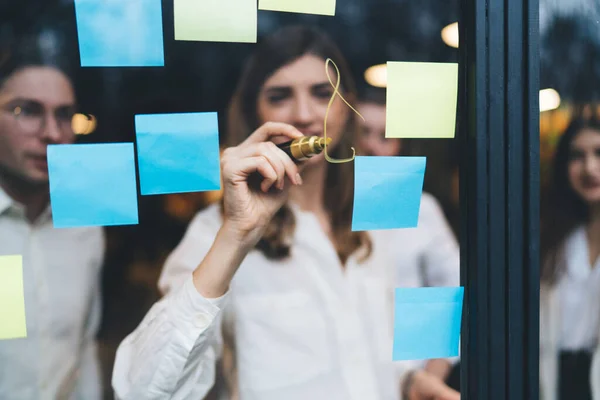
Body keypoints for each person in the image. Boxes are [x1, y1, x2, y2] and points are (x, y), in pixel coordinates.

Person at [112, 25, 459, 400]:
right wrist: (237, 235)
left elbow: (367, 348)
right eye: (280, 97)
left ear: (346, 107)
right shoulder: (217, 230)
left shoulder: (374, 216)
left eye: (323, 94)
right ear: (253, 112)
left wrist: (407, 381)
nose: (306, 114)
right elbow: (144, 391)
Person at [0, 30, 105, 399]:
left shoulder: (85, 227)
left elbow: (84, 349)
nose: (51, 133)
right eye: (26, 111)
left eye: (65, 116)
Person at [357, 86, 460, 385]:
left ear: (399, 144)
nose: (372, 146)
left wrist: (432, 375)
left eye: (384, 136)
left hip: (408, 378)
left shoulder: (419, 208)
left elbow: (449, 290)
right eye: (363, 133)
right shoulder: (322, 208)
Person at [540, 115, 600, 400]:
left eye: (599, 153)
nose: (590, 167)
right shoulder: (552, 237)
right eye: (578, 156)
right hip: (555, 382)